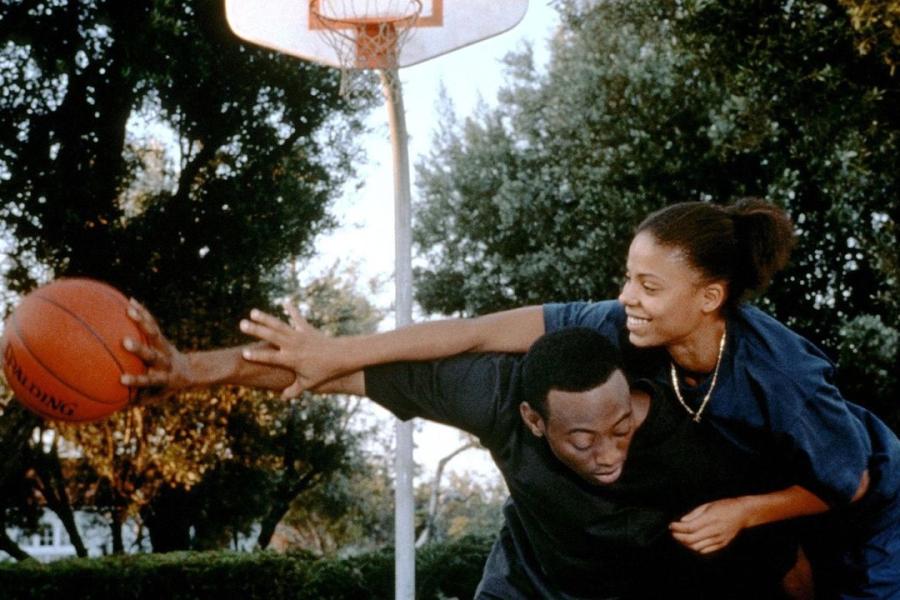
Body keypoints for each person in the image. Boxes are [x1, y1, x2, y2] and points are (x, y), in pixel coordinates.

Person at [227, 198, 900, 599]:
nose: (628, 296)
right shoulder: (620, 325)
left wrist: (745, 512)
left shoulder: (780, 375)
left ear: (709, 298)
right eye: (627, 278)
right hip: (782, 511)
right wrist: (339, 352)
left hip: (866, 508)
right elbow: (472, 334)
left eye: (648, 285)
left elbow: (852, 480)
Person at [123, 319, 805, 598]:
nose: (608, 455)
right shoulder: (494, 394)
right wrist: (190, 371)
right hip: (526, 586)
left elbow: (790, 553)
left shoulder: (697, 436)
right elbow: (323, 371)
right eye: (582, 441)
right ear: (533, 421)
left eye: (621, 427)